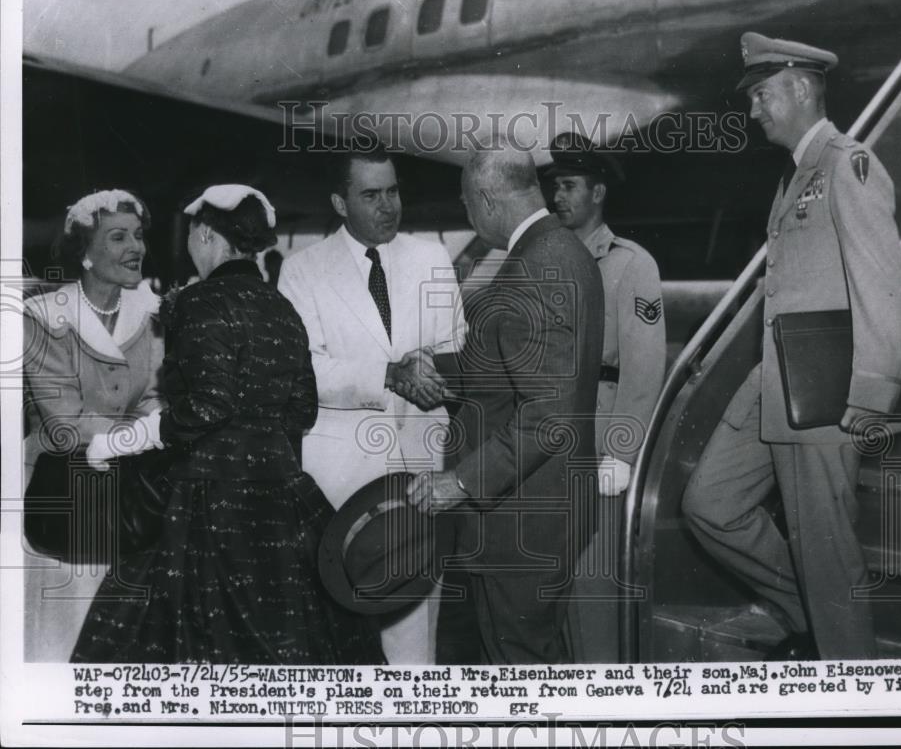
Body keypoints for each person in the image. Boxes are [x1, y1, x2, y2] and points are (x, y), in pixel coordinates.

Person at [72, 184, 384, 664]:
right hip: (282, 497)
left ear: (206, 235)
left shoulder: (201, 302)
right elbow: (302, 411)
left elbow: (209, 405)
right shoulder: (282, 309)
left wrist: (127, 438)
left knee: (166, 638)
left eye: (194, 234)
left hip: (211, 500)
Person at [681, 33, 901, 660]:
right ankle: (803, 614)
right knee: (710, 504)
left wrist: (872, 393)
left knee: (828, 556)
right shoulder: (796, 176)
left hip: (826, 391)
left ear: (801, 88)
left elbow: (880, 283)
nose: (753, 109)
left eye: (761, 94)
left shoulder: (847, 164)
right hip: (778, 383)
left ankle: (850, 692)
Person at [407, 136, 604, 664]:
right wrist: (433, 366)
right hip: (548, 506)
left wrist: (460, 482)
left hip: (522, 520)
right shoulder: (564, 250)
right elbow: (520, 367)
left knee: (518, 668)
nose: (470, 216)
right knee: (535, 653)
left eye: (468, 206)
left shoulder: (532, 268)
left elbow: (545, 416)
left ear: (490, 201)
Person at [278, 143, 465, 664]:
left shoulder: (432, 259)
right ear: (340, 203)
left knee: (413, 644)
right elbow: (302, 372)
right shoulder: (302, 271)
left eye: (393, 192)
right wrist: (388, 374)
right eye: (371, 195)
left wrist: (431, 366)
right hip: (342, 482)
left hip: (421, 476)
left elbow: (455, 351)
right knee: (343, 640)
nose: (388, 206)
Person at [22, 189, 163, 662]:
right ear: (85, 253)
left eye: (138, 236)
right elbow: (63, 420)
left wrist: (144, 427)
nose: (135, 248)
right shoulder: (44, 317)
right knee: (69, 630)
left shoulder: (152, 314)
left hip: (131, 497)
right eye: (118, 237)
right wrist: (141, 434)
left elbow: (155, 396)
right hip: (67, 495)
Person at [544, 132, 667, 663]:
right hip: (549, 441)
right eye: (554, 187)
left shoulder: (631, 264)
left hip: (598, 440)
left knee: (593, 586)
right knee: (554, 585)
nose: (557, 197)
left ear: (597, 192)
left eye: (569, 186)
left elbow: (643, 368)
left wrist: (621, 452)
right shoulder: (549, 257)